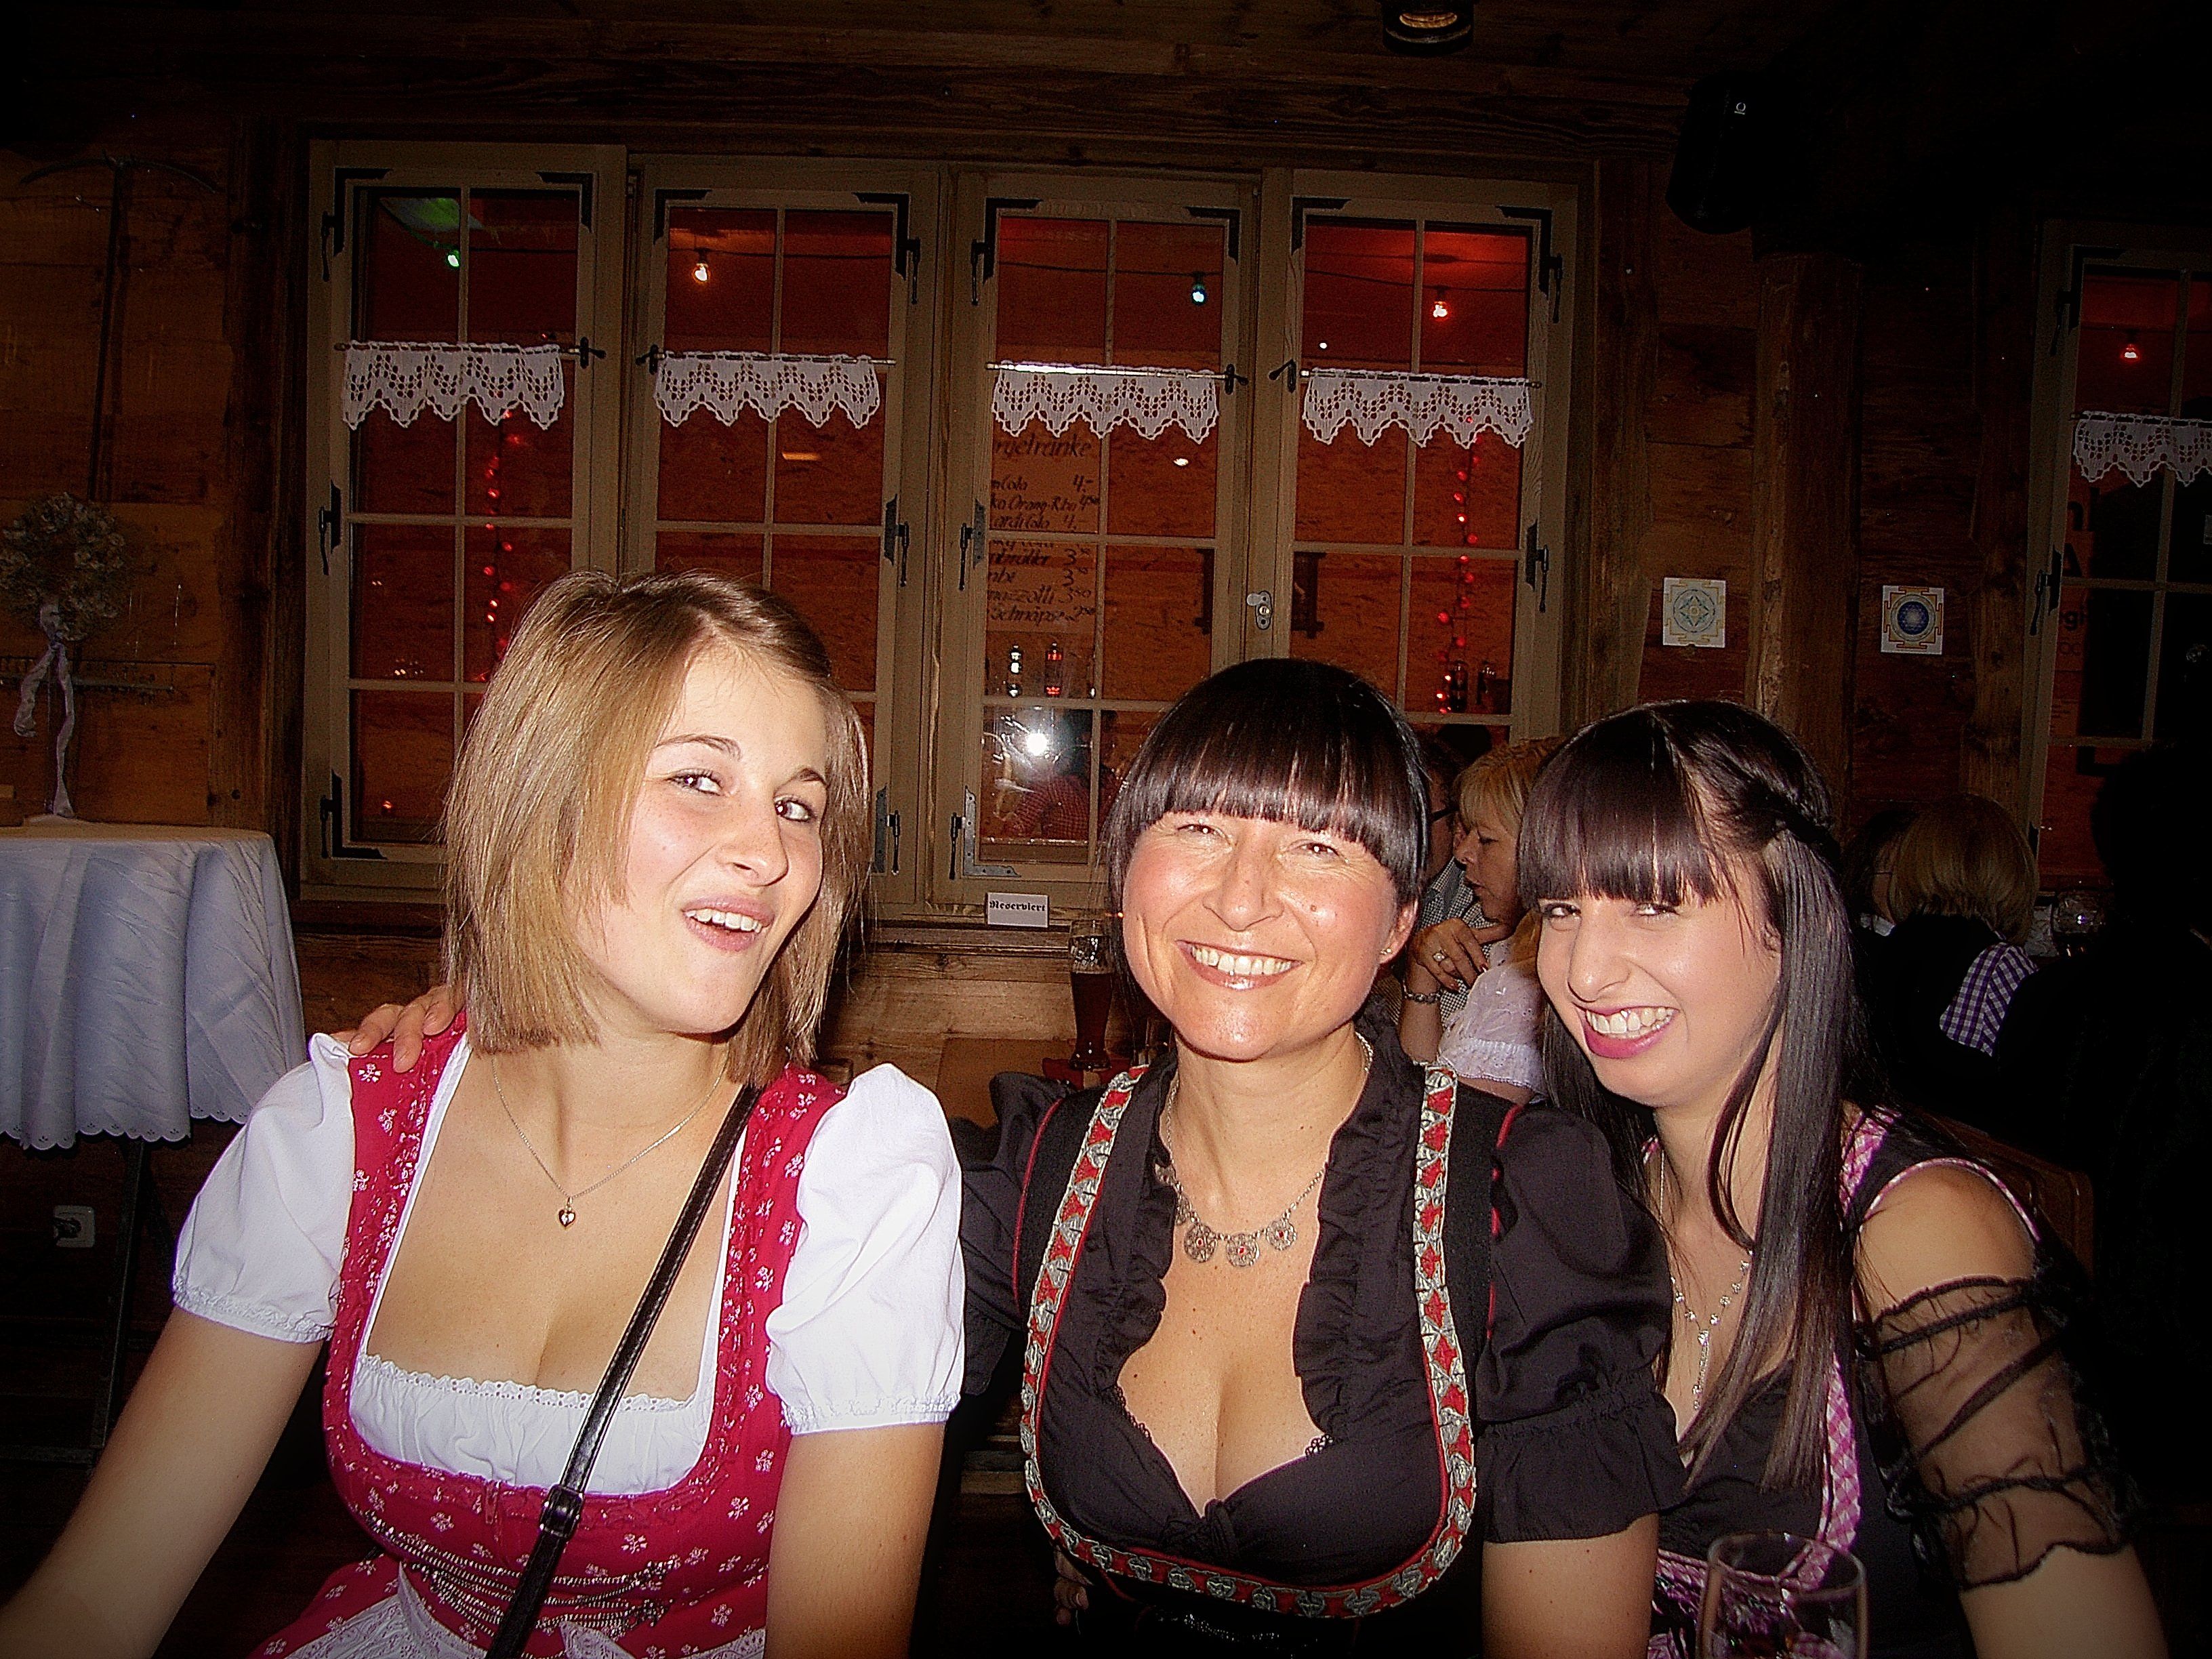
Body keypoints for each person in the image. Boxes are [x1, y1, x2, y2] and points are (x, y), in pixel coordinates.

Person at [0, 571, 964, 1659]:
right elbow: (93, 1607)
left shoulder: (851, 1179)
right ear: (541, 799)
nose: (772, 855)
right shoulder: (340, 1133)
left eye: (798, 807)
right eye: (699, 779)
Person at [962, 660, 1681, 1656]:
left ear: (1400, 918)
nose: (1242, 900)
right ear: (1126, 872)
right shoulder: (1039, 1168)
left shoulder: (1517, 1204)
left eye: (1316, 846)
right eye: (1198, 830)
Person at [1519, 701, 2160, 1659]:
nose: (1585, 971)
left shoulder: (1920, 1232)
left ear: (1797, 917)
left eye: (1654, 904)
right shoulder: (1596, 1204)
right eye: (1562, 910)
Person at [1399, 737, 1563, 1105]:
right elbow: (1423, 1078)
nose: (1462, 853)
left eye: (1485, 840)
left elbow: (1441, 1119)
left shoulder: (1527, 980)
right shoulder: (1515, 945)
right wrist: (1421, 975)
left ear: (1541, 849)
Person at [1860, 794, 2039, 1130]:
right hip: (1971, 1153)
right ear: (2011, 871)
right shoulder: (2000, 966)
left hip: (1892, 1146)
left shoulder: (1880, 948)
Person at [1404, 728, 1496, 1026]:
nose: (1402, 837)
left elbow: (1445, 1040)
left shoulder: (1485, 909)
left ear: (1457, 824)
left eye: (1419, 821)